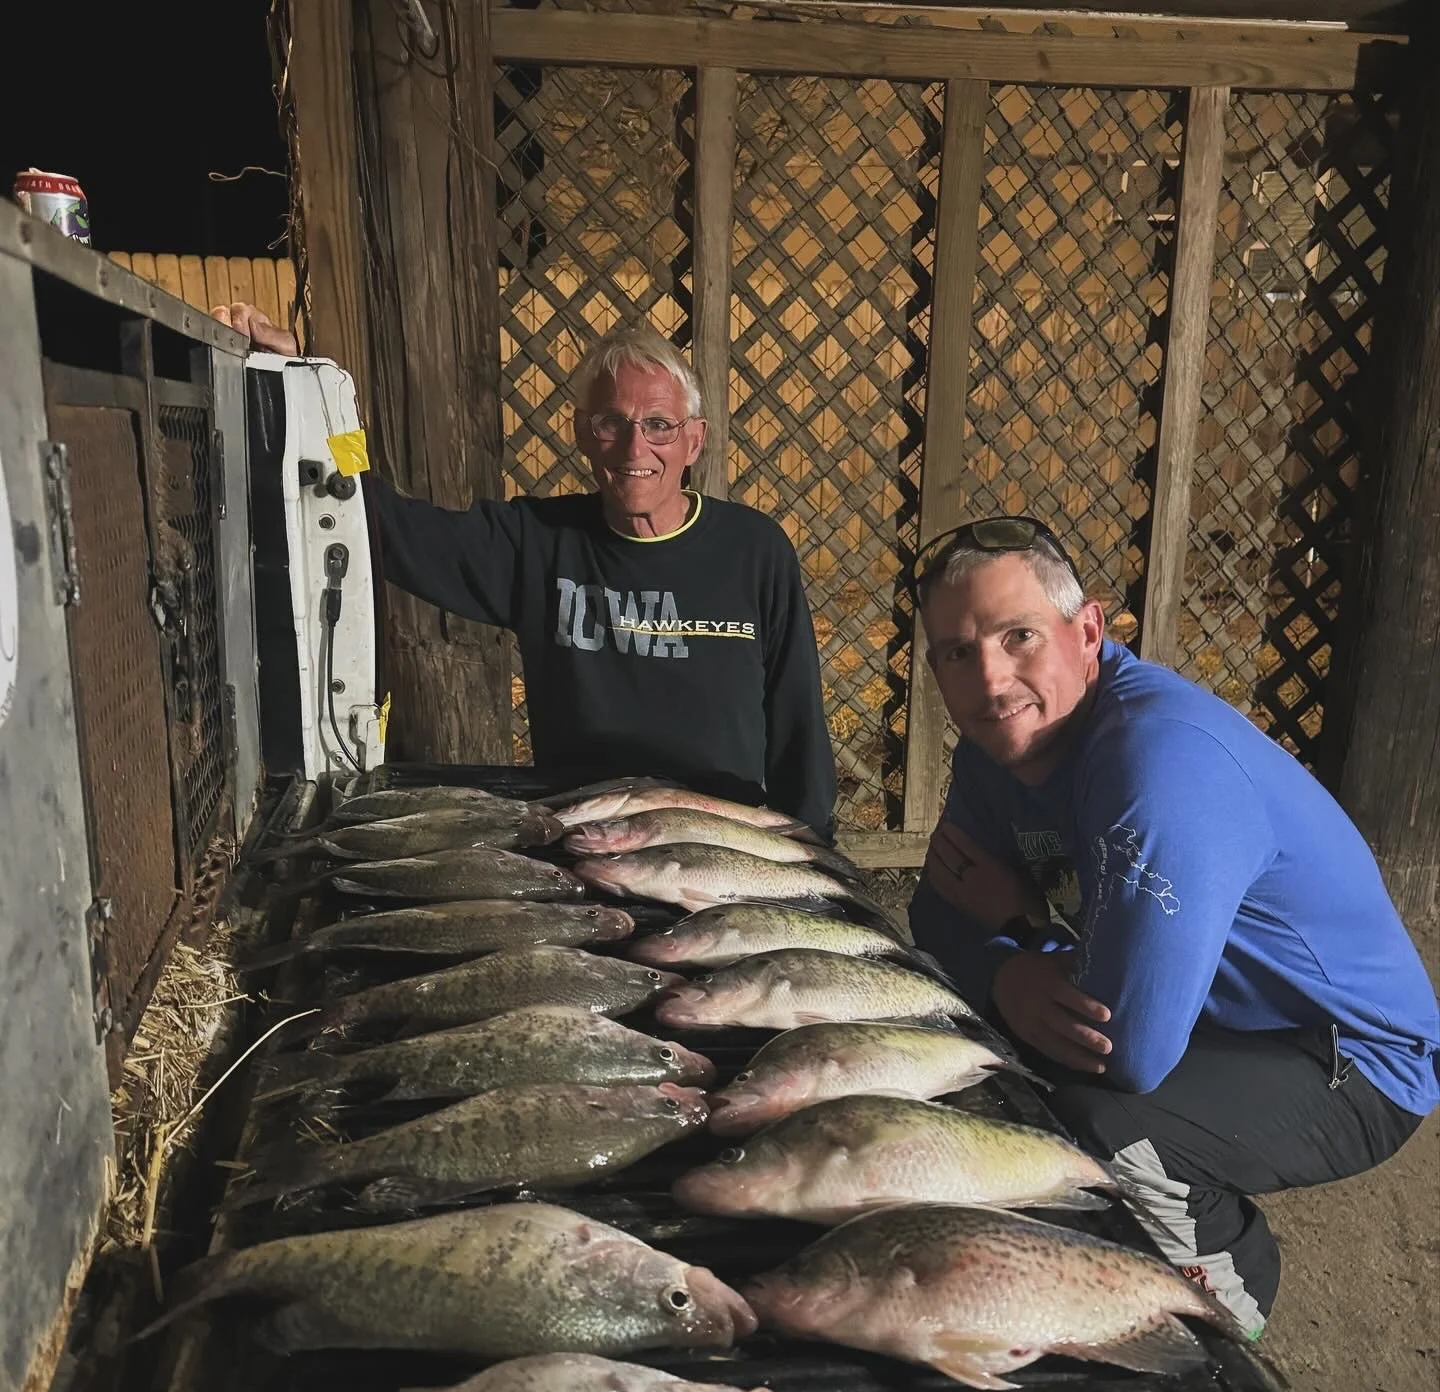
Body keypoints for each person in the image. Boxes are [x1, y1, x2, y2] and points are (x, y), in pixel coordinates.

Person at [908, 515, 1439, 1335]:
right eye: (956, 653)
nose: (990, 678)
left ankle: (1225, 1311)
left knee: (1110, 1128)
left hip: (1349, 1056)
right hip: (1196, 1013)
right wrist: (1005, 972)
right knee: (991, 1061)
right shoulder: (997, 748)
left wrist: (1016, 928)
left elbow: (1130, 1054)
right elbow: (938, 911)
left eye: (1019, 636)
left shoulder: (1157, 767)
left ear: (1088, 631)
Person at [214, 306, 837, 835]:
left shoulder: (753, 550)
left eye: (659, 426)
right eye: (611, 424)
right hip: (586, 839)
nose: (635, 448)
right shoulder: (537, 542)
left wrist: (815, 849)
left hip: (722, 844)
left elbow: (798, 722)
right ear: (582, 434)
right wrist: (303, 389)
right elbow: (380, 522)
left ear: (694, 441)